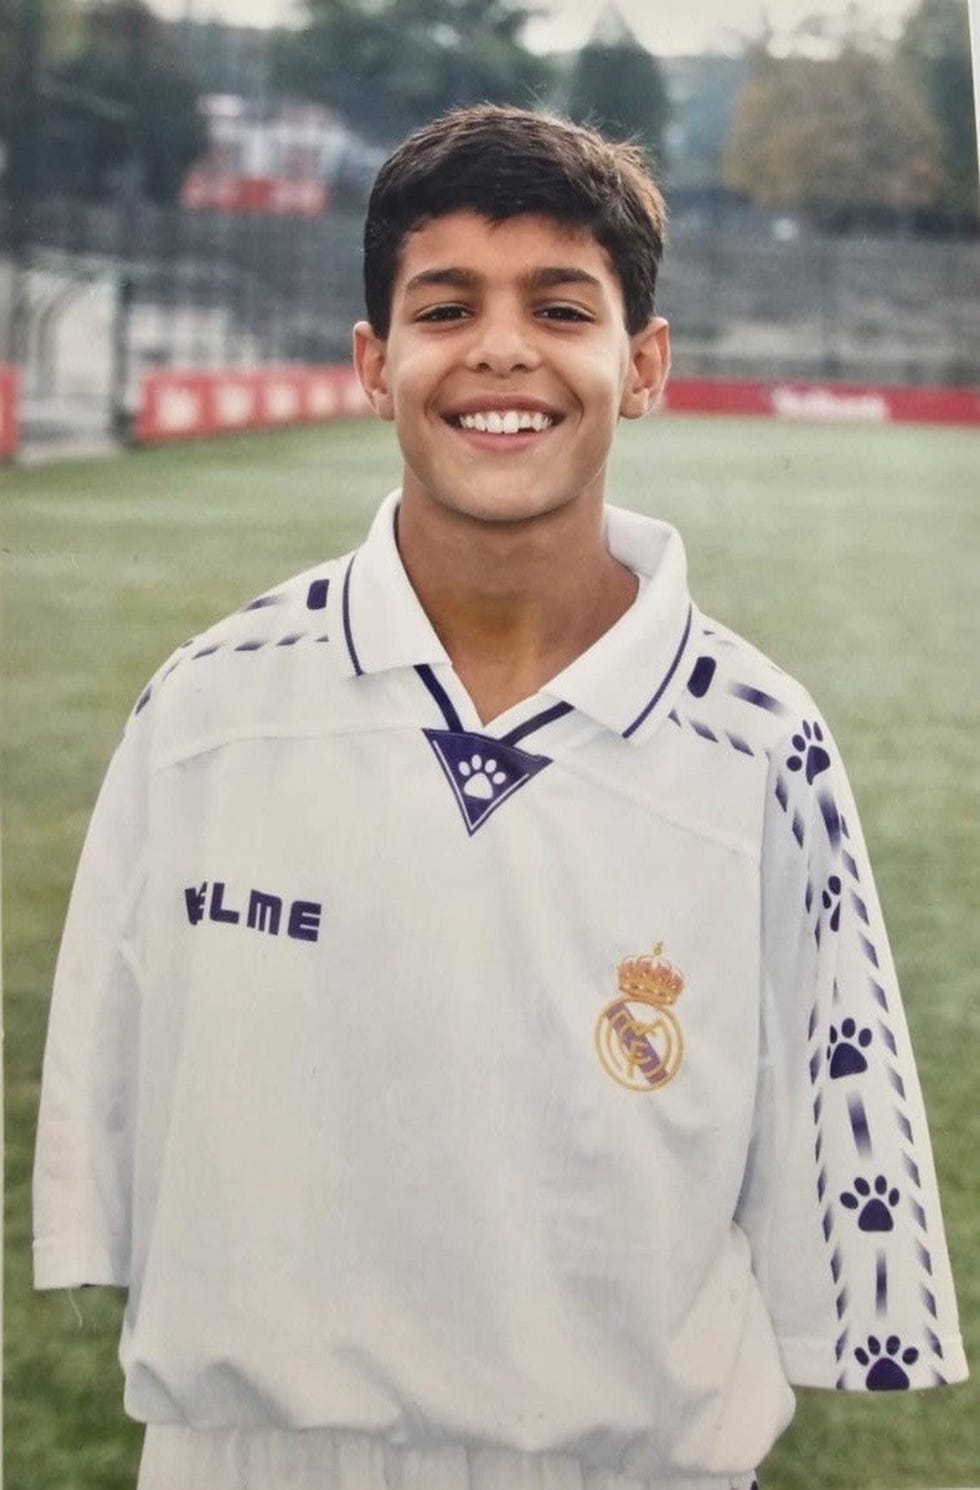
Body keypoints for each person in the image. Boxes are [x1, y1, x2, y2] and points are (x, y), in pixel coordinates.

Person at [33, 104, 967, 1490]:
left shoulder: (763, 743)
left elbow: (836, 1152)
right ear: (374, 360)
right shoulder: (210, 706)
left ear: (643, 364)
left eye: (561, 304)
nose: (502, 348)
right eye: (446, 303)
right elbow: (106, 1098)